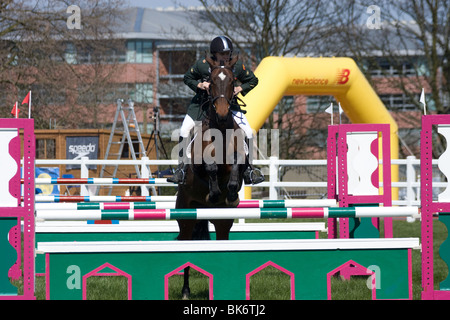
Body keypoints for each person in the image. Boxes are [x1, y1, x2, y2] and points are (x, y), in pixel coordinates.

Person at [168, 35, 264, 185]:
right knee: (184, 130)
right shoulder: (202, 64)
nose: (226, 56)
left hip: (229, 105)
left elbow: (253, 80)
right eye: (223, 54)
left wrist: (240, 88)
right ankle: (181, 169)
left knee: (249, 132)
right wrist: (199, 85)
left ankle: (249, 169)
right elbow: (188, 77)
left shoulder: (236, 66)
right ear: (215, 54)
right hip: (202, 105)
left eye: (228, 53)